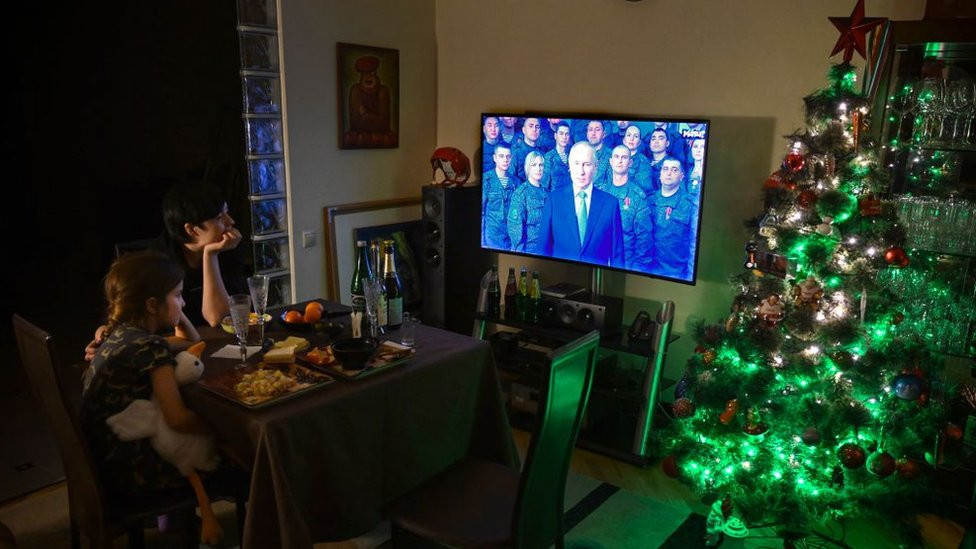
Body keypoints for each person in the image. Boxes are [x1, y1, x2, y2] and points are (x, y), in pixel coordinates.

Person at [79, 251, 224, 545]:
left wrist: (172, 308)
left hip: (103, 464)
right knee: (239, 453)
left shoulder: (121, 335)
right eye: (179, 295)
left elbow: (192, 342)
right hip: (133, 474)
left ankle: (177, 525)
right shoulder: (149, 349)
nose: (184, 302)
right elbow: (178, 420)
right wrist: (226, 429)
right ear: (151, 305)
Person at [84, 181, 246, 362]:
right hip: (164, 354)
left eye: (227, 212)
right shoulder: (157, 263)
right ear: (192, 229)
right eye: (219, 217)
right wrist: (103, 338)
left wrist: (211, 255)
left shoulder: (229, 249)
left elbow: (218, 317)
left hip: (216, 346)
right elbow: (116, 320)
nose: (230, 222)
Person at [535, 142, 623, 267]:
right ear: (569, 166)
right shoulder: (553, 200)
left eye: (586, 164)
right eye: (576, 164)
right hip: (558, 280)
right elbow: (542, 250)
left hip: (596, 281)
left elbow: (618, 258)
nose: (581, 171)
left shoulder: (611, 204)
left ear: (595, 167)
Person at [601, 146, 653, 271]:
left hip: (625, 265)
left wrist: (635, 272)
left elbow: (644, 240)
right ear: (611, 161)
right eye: (616, 157)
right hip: (599, 260)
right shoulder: (600, 192)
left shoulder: (638, 197)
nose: (619, 161)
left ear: (630, 163)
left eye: (624, 157)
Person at [647, 157, 699, 280]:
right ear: (660, 174)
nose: (669, 173)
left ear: (681, 176)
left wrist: (690, 276)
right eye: (665, 169)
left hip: (675, 273)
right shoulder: (649, 201)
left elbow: (694, 246)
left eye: (674, 170)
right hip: (648, 270)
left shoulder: (690, 205)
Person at [507, 151, 549, 252]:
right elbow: (516, 232)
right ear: (527, 168)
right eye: (534, 165)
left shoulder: (548, 193)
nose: (538, 169)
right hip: (529, 250)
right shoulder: (521, 194)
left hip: (546, 249)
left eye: (541, 165)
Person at [482, 143, 521, 249]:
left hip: (509, 239)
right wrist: (482, 242)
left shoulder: (516, 183)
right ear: (495, 158)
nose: (505, 160)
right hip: (491, 239)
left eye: (508, 157)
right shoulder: (486, 180)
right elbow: (481, 212)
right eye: (501, 156)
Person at [348, 55, 392, 134]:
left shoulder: (383, 91)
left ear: (376, 73)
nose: (368, 77)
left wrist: (365, 115)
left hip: (381, 135)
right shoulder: (355, 91)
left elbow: (383, 121)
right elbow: (356, 122)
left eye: (371, 73)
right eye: (365, 74)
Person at [622, 125, 653, 192]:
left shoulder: (644, 162)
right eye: (629, 135)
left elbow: (645, 187)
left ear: (639, 142)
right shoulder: (616, 157)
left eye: (636, 136)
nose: (631, 139)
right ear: (624, 140)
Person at [543, 120, 572, 190]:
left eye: (567, 134)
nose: (564, 137)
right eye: (561, 133)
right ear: (555, 136)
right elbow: (544, 185)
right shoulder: (548, 157)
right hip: (555, 197)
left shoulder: (573, 155)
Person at [585, 120, 613, 186]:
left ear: (603, 134)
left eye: (597, 130)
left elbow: (611, 183)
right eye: (590, 130)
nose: (593, 133)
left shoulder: (611, 156)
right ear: (587, 134)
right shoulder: (580, 153)